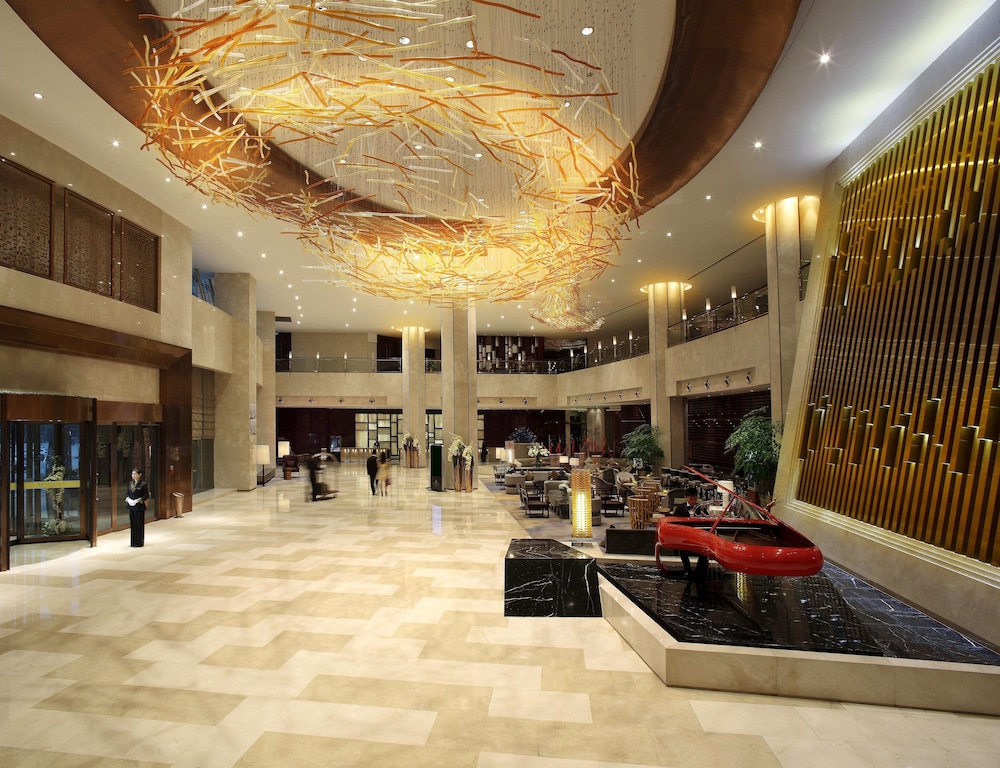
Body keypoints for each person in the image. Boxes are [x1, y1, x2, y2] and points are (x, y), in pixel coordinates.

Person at [672, 487, 709, 579]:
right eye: (691, 499)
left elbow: (707, 519)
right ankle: (688, 570)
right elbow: (675, 521)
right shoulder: (680, 508)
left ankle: (698, 572)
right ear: (686, 497)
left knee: (704, 552)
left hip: (698, 535)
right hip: (685, 535)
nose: (693, 501)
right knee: (683, 551)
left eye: (695, 499)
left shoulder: (701, 508)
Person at [125, 468, 150, 547]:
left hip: (139, 507)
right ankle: (133, 542)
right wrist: (128, 500)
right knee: (133, 524)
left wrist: (138, 500)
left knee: (139, 524)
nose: (133, 476)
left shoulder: (143, 484)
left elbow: (146, 495)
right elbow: (127, 494)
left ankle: (139, 542)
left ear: (139, 475)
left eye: (135, 474)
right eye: (132, 474)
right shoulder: (130, 483)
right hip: (131, 506)